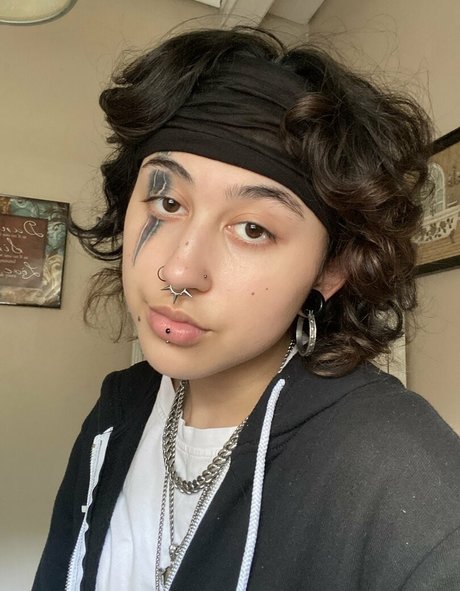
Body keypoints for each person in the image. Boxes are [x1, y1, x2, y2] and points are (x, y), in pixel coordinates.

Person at [33, 27, 460, 591]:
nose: (179, 271)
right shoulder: (119, 410)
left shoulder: (399, 472)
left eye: (253, 229)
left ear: (331, 270)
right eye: (167, 201)